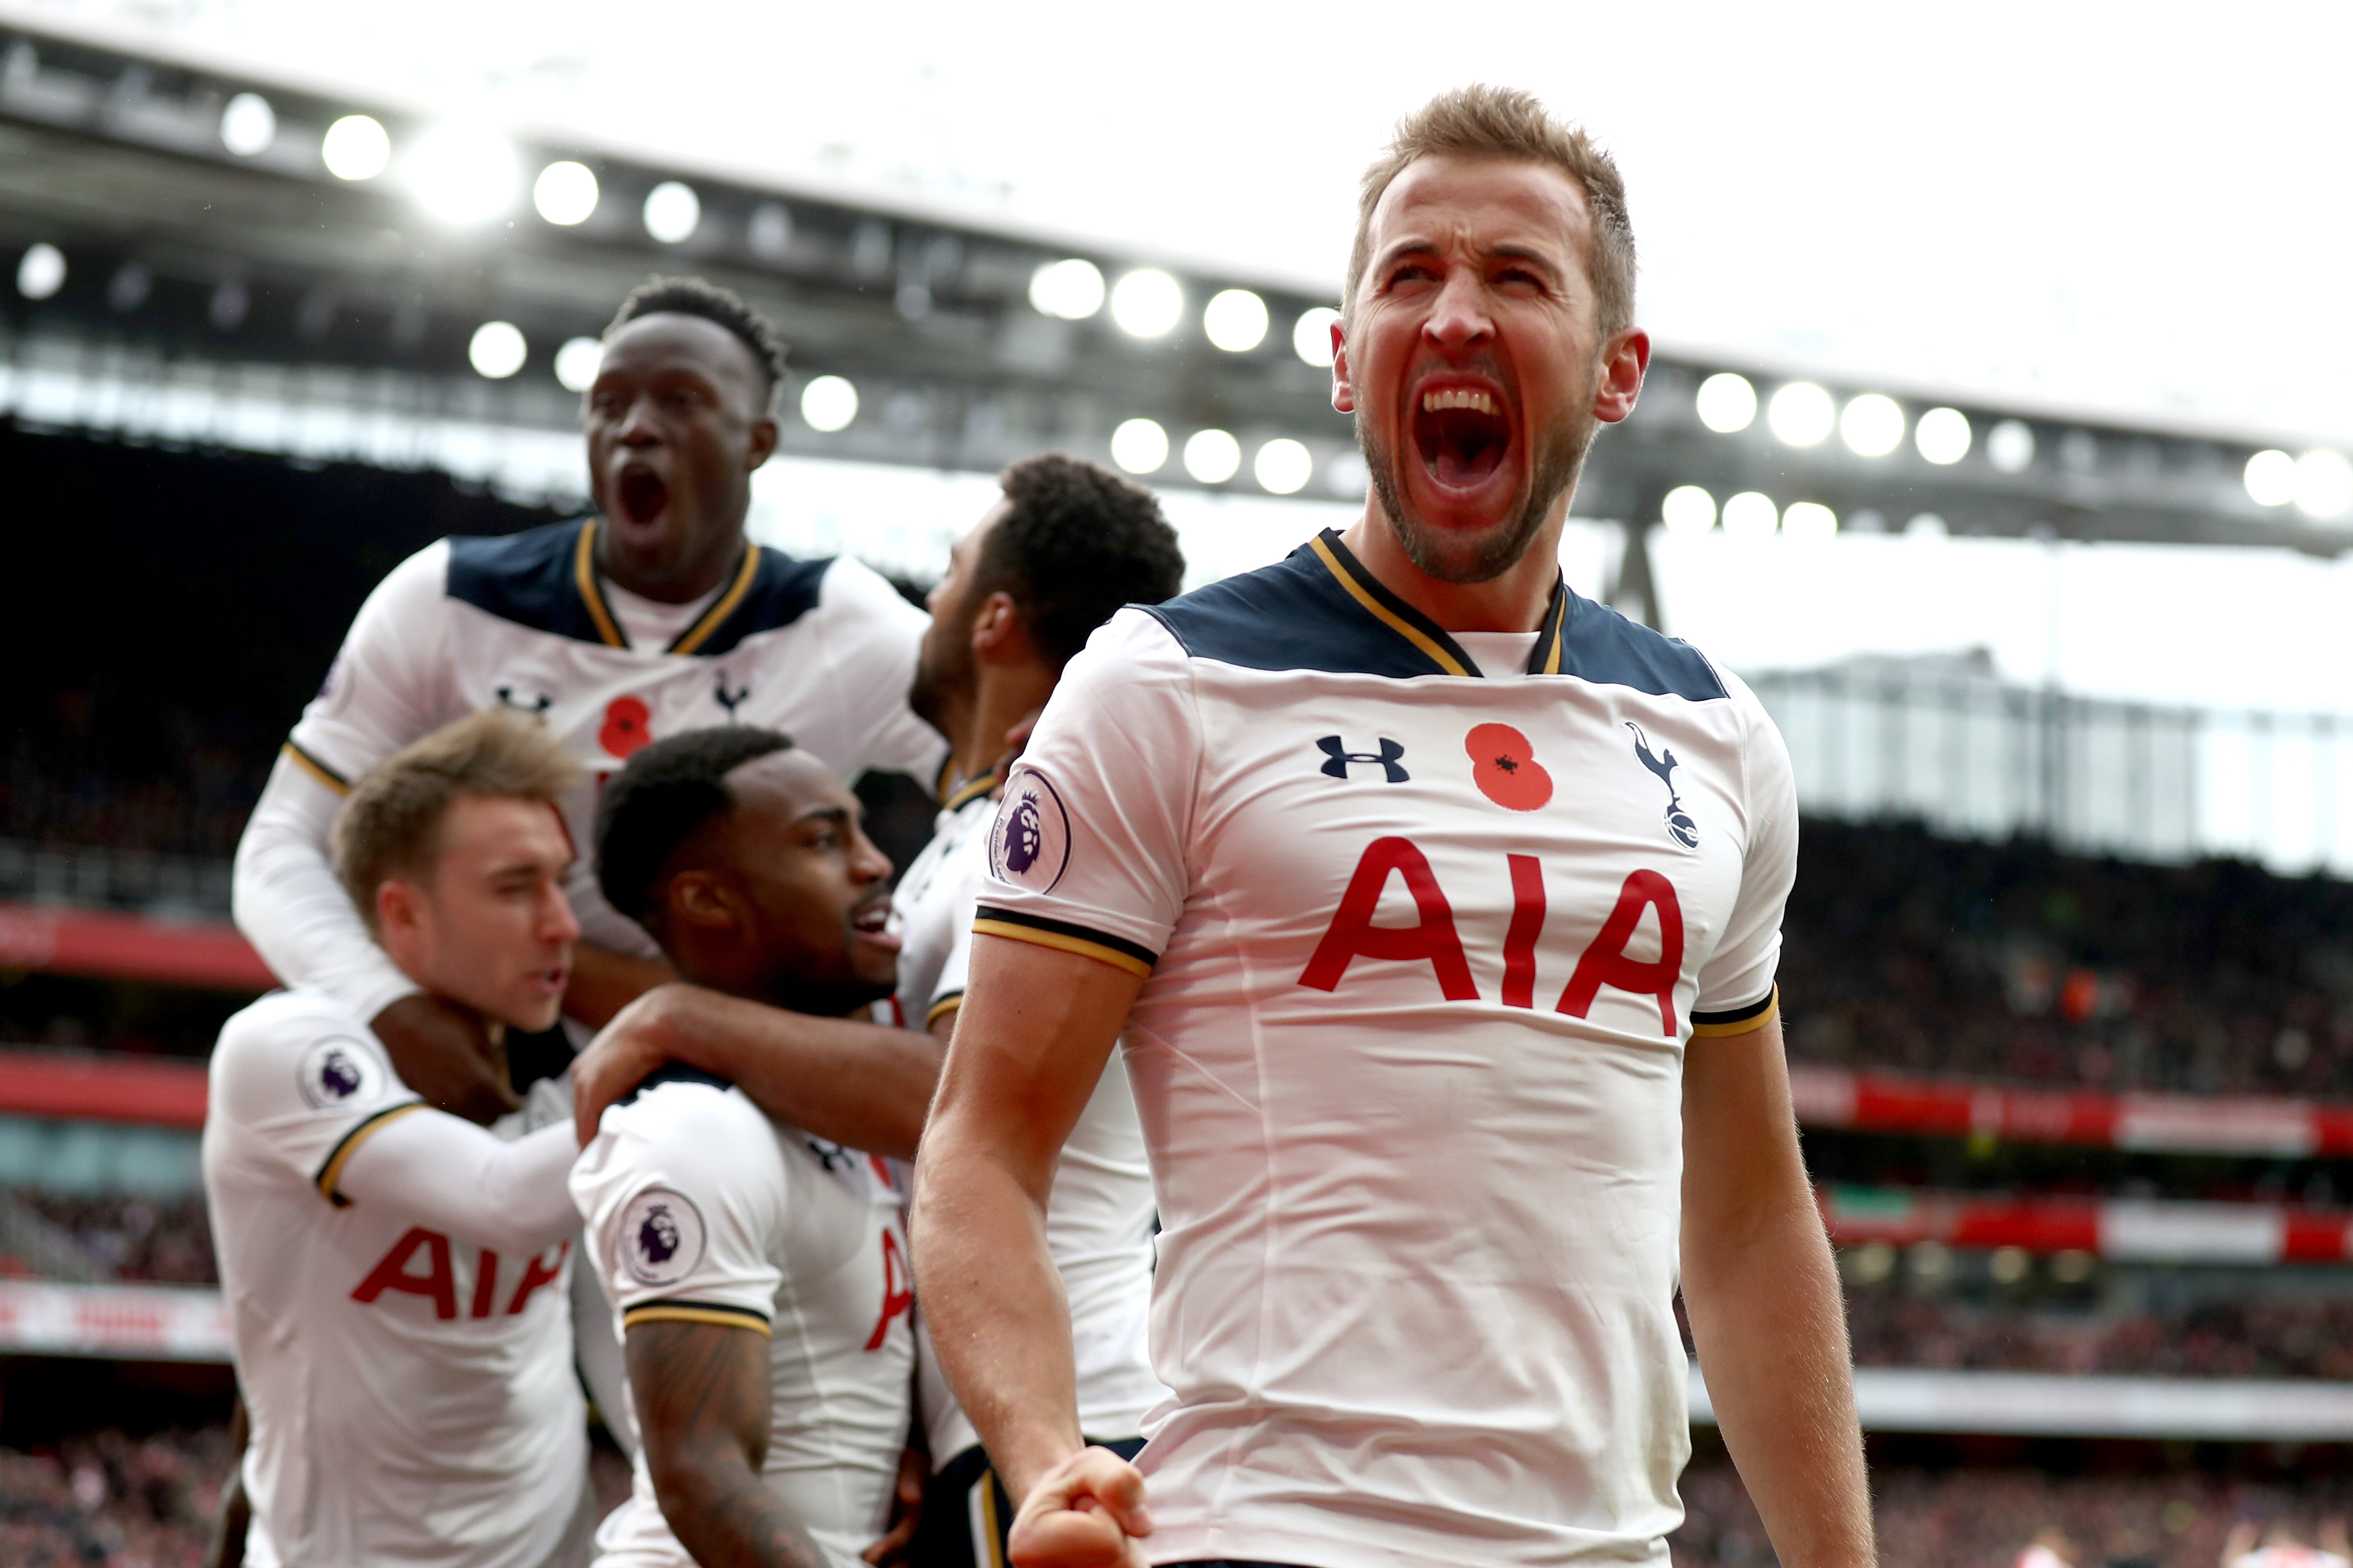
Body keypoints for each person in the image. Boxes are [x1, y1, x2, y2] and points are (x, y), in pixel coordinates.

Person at [912, 83, 1875, 1568]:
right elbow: (980, 1144)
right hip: (1269, 1534)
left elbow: (1748, 1220)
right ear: (1343, 350)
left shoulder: (1717, 735)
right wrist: (1050, 1455)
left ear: (1617, 370)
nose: (1455, 316)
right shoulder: (1168, 684)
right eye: (1409, 273)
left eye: (1517, 276)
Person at [234, 274, 945, 1130]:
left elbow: (1016, 784)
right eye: (608, 403)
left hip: (741, 1092)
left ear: (758, 440)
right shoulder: (450, 598)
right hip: (486, 1070)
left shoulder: (841, 622)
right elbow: (279, 845)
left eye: (682, 400)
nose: (635, 427)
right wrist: (383, 1000)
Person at [203, 712, 597, 1568]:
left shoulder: (568, 1072)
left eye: (561, 883)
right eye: (515, 886)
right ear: (402, 911)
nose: (563, 923)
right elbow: (504, 1200)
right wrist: (696, 1035)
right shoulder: (286, 1044)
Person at [889, 456, 1184, 1566]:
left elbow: (944, 1102)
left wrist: (683, 1020)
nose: (931, 597)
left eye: (953, 571)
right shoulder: (975, 835)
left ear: (995, 620)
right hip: (1038, 1412)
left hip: (1068, 1426)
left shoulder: (1030, 835)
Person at [569, 727, 918, 1568]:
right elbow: (701, 1472)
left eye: (862, 831)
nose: (874, 864)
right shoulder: (693, 1125)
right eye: (823, 840)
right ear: (708, 901)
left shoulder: (817, 1116)